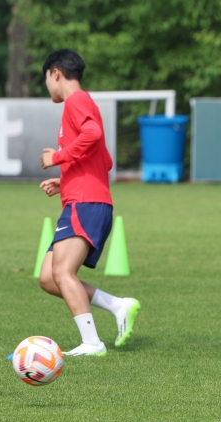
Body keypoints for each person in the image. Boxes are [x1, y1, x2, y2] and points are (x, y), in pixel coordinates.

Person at [38, 49, 140, 357]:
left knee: (63, 273)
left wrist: (57, 157)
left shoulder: (77, 100)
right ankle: (118, 305)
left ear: (56, 73)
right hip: (83, 198)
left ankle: (92, 343)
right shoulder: (83, 104)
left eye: (45, 79)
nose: (47, 86)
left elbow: (92, 135)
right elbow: (104, 160)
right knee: (48, 277)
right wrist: (65, 179)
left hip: (86, 202)